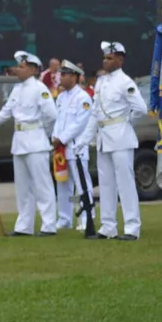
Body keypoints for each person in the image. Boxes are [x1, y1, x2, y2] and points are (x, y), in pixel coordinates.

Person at [0, 51, 58, 236]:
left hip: (36, 141)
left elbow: (51, 116)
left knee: (43, 186)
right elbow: (4, 114)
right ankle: (24, 226)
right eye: (18, 66)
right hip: (19, 142)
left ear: (33, 69)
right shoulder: (17, 89)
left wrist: (45, 134)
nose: (18, 70)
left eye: (22, 67)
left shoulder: (40, 88)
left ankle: (49, 225)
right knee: (23, 188)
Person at [92, 42, 147, 240]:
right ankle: (108, 226)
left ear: (120, 60)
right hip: (103, 137)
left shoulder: (125, 82)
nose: (105, 61)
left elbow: (140, 108)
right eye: (104, 58)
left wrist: (125, 122)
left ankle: (132, 227)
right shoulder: (101, 82)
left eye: (109, 58)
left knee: (125, 183)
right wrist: (89, 137)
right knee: (106, 183)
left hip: (120, 136)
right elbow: (95, 111)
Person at [49, 61, 94, 233]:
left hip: (76, 147)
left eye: (65, 74)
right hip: (61, 148)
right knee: (63, 184)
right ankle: (65, 218)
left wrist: (62, 137)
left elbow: (80, 123)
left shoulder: (83, 98)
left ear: (75, 76)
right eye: (61, 74)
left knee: (82, 184)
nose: (62, 77)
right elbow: (59, 121)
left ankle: (86, 216)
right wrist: (55, 136)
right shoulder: (61, 97)